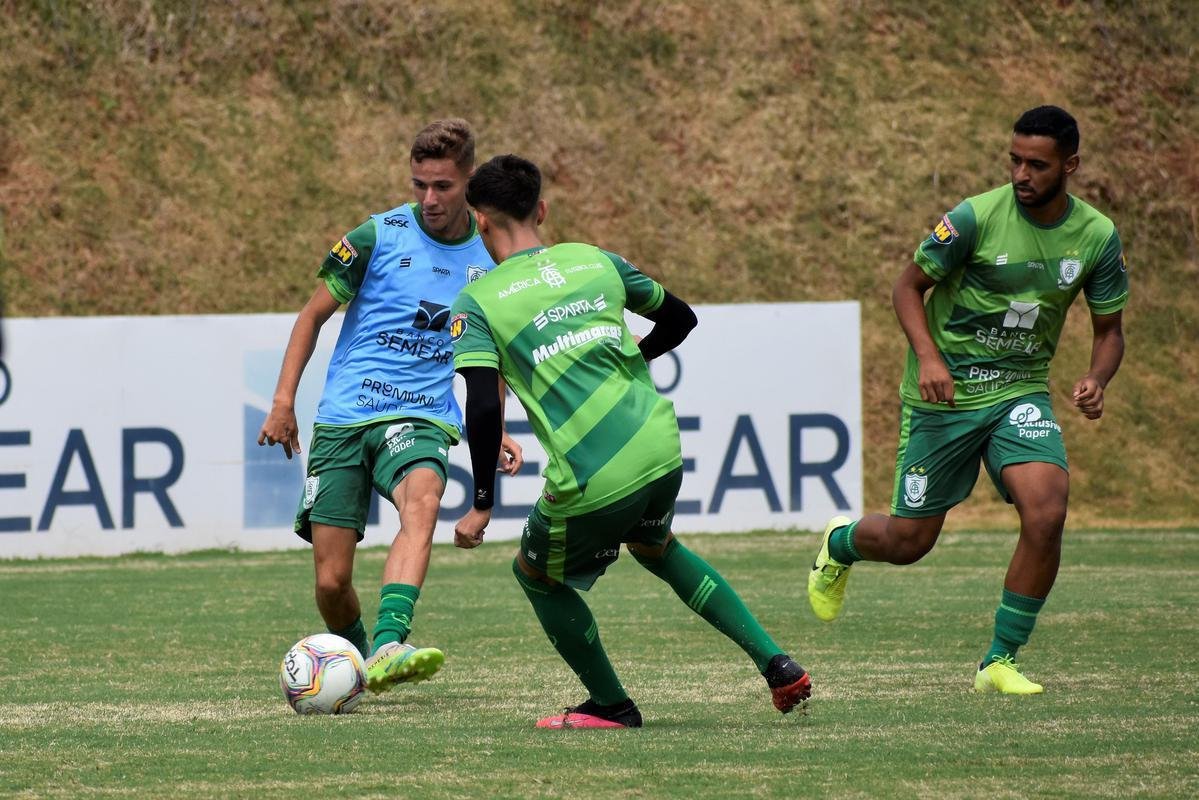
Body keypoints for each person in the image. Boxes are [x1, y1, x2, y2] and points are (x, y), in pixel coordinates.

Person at [449, 154, 812, 728]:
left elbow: (485, 404)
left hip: (596, 474)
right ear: (541, 209)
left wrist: (482, 504)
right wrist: (630, 359)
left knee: (535, 574)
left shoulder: (479, 301)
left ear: (480, 223)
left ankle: (612, 706)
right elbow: (682, 318)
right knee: (656, 546)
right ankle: (778, 664)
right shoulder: (597, 261)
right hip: (660, 446)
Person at [808, 106, 1128, 694]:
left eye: (1037, 164)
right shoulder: (974, 218)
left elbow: (1109, 330)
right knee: (909, 544)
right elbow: (908, 286)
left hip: (1019, 389)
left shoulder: (1097, 236)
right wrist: (930, 358)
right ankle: (839, 542)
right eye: (1015, 160)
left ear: (1071, 166)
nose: (1021, 174)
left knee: (1047, 510)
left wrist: (1097, 378)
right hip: (946, 394)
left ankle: (999, 661)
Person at [257, 119, 522, 695]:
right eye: (420, 184)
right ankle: (357, 662)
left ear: (468, 181)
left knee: (422, 503)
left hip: (421, 414)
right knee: (330, 583)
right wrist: (283, 402)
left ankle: (390, 644)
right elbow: (311, 316)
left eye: (444, 187)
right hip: (345, 417)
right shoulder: (378, 237)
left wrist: (492, 426)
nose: (430, 198)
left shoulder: (491, 254)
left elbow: (490, 353)